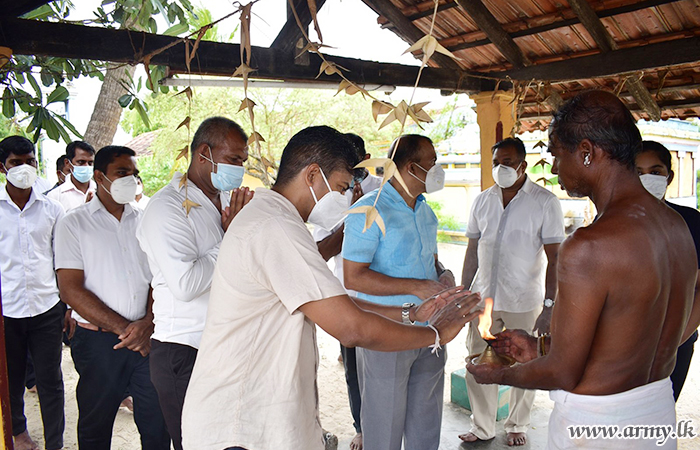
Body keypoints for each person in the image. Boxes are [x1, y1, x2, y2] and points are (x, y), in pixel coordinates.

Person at [181, 126, 480, 450]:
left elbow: (333, 304)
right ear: (312, 175)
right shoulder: (274, 227)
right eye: (341, 187)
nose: (346, 199)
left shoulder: (279, 220)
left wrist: (410, 314)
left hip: (255, 417)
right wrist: (435, 334)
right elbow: (351, 327)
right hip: (240, 425)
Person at [468, 90, 698, 449]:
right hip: (656, 410)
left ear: (587, 152)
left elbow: (563, 372)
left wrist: (499, 374)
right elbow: (631, 335)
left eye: (557, 154)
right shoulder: (677, 227)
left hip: (594, 424)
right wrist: (540, 347)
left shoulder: (589, 245)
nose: (554, 168)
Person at [136, 117, 253, 450]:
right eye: (233, 159)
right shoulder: (166, 208)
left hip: (225, 345)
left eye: (243, 161)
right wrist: (230, 236)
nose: (239, 169)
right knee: (198, 443)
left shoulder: (227, 200)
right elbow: (186, 284)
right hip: (184, 350)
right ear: (204, 153)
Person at [342, 134, 455, 450]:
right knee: (384, 422)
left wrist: (443, 274)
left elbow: (430, 261)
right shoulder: (370, 210)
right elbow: (353, 277)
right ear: (412, 167)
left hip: (431, 328)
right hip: (387, 330)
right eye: (433, 163)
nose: (438, 169)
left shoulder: (425, 211)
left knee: (426, 419)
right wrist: (415, 287)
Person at [55, 146, 169, 450]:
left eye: (133, 174)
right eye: (122, 173)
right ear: (99, 176)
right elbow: (70, 290)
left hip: (145, 341)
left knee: (157, 425)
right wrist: (127, 330)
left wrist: (148, 322)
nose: (131, 180)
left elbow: (157, 279)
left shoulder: (144, 220)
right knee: (96, 427)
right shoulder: (74, 224)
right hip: (99, 344)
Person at [459, 137, 565, 446]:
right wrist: (464, 293)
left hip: (524, 300)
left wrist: (549, 306)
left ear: (523, 165)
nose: (500, 169)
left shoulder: (545, 202)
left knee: (525, 362)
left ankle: (518, 423)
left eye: (507, 163)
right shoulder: (482, 201)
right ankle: (482, 426)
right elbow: (472, 250)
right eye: (496, 163)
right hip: (483, 300)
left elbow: (555, 258)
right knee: (478, 361)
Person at [312, 132, 382, 450]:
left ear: (366, 160)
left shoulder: (383, 190)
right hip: (347, 297)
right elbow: (323, 249)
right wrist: (352, 215)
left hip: (382, 295)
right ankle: (361, 427)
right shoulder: (331, 196)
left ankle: (385, 427)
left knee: (382, 367)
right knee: (354, 369)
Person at [0, 136, 66, 450]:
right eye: (16, 163)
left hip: (46, 307)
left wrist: (67, 307)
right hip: (7, 310)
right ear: (3, 167)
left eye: (30, 161)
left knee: (50, 380)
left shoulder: (52, 209)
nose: (24, 168)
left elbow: (62, 260)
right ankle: (18, 433)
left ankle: (55, 442)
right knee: (11, 380)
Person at [636, 140, 700, 401]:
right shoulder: (610, 221)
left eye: (655, 171)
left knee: (660, 411)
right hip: (624, 344)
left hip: (677, 339)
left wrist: (673, 344)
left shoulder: (691, 221)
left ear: (669, 176)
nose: (646, 179)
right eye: (638, 172)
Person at [47, 141, 96, 212]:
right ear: (67, 163)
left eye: (90, 163)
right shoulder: (55, 196)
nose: (86, 166)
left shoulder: (102, 192)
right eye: (81, 162)